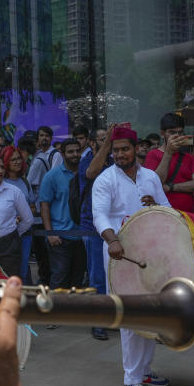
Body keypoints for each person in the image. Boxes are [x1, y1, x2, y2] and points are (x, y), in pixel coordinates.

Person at [91, 126, 171, 386]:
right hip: (118, 254)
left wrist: (155, 207)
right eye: (116, 150)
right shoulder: (105, 179)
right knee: (129, 315)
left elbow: (168, 209)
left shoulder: (150, 177)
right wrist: (112, 240)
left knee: (150, 312)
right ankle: (131, 380)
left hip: (150, 252)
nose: (120, 154)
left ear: (136, 148)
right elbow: (99, 215)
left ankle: (145, 371)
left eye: (125, 149)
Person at [79, 126, 113, 340]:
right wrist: (107, 143)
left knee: (114, 275)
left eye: (107, 138)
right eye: (101, 138)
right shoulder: (87, 160)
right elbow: (91, 173)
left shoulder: (115, 159)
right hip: (93, 227)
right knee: (97, 276)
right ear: (92, 143)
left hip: (116, 224)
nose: (107, 141)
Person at [38, 138, 86, 289]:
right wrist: (50, 233)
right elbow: (44, 205)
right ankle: (56, 312)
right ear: (62, 154)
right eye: (70, 152)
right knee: (59, 279)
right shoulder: (51, 176)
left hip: (83, 237)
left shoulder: (86, 173)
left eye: (78, 151)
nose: (75, 154)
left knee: (78, 279)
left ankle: (74, 312)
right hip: (60, 238)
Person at [145, 112, 194, 212]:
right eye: (172, 132)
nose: (177, 136)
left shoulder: (189, 157)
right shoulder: (152, 154)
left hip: (188, 216)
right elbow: (154, 184)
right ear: (162, 134)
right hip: (164, 215)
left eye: (180, 132)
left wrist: (171, 187)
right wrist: (168, 153)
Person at [1, 145, 37, 284]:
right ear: (5, 162)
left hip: (25, 232)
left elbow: (32, 206)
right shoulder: (1, 182)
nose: (17, 162)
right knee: (10, 269)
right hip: (7, 234)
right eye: (12, 159)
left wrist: (26, 213)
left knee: (23, 268)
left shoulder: (24, 181)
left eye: (18, 159)